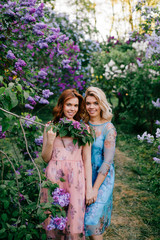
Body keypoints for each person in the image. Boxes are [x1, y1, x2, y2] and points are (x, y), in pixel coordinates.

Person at [41, 89, 93, 240]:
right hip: (54, 177)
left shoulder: (84, 129)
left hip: (76, 178)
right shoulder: (51, 126)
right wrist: (50, 140)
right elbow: (45, 158)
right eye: (68, 104)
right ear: (61, 105)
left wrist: (89, 189)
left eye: (75, 105)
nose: (72, 109)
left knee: (75, 221)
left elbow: (87, 160)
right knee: (53, 218)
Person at [84, 86, 117, 240]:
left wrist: (95, 189)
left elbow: (107, 162)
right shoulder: (81, 125)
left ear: (101, 104)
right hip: (83, 173)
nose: (91, 107)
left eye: (95, 103)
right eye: (88, 103)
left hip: (102, 178)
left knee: (91, 220)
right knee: (82, 218)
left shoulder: (108, 128)